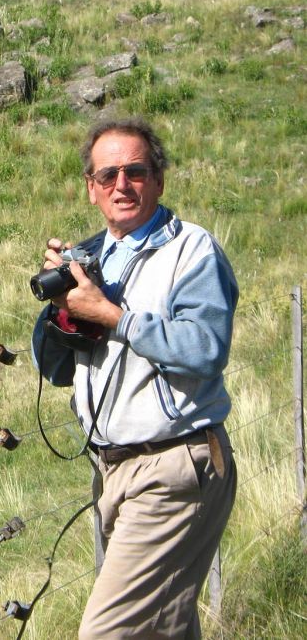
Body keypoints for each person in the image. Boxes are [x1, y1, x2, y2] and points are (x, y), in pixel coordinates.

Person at [31, 118, 238, 639]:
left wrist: (114, 316)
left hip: (174, 463)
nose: (121, 185)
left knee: (107, 633)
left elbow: (205, 350)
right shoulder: (89, 257)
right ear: (91, 189)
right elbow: (51, 368)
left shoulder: (192, 251)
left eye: (135, 171)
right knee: (165, 628)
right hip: (114, 470)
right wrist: (65, 314)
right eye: (107, 175)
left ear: (159, 180)